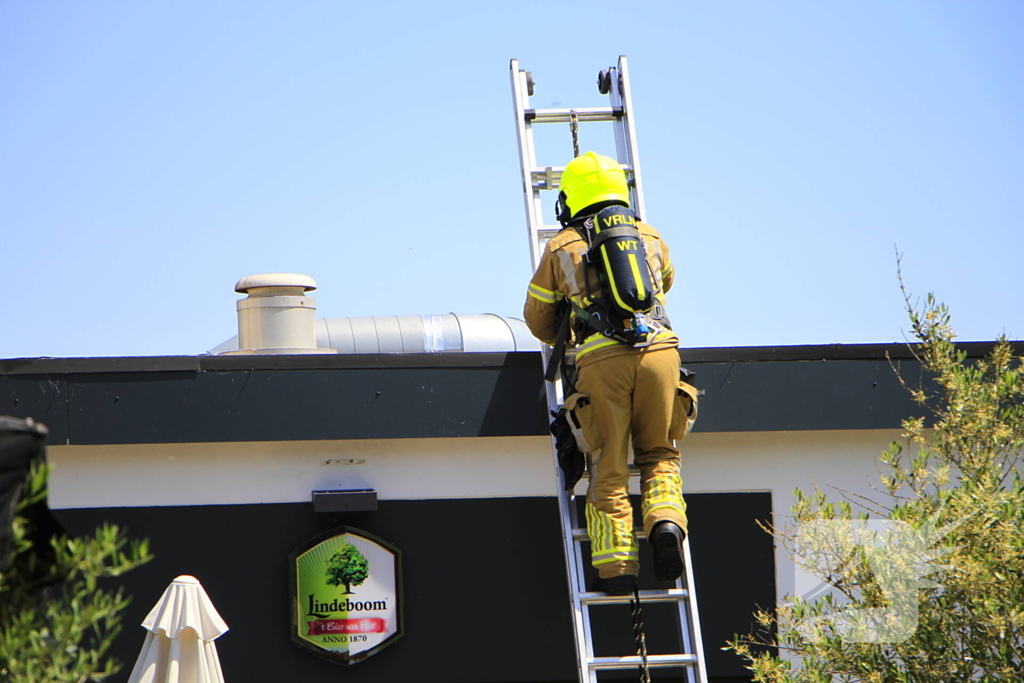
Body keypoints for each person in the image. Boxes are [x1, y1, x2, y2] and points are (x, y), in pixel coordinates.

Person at [524, 151, 692, 595]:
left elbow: (538, 321)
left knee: (609, 465)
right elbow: (666, 284)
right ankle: (667, 525)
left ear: (570, 198)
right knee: (660, 453)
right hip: (661, 353)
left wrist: (575, 305)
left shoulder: (562, 245)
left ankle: (618, 568)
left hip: (602, 362)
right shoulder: (650, 236)